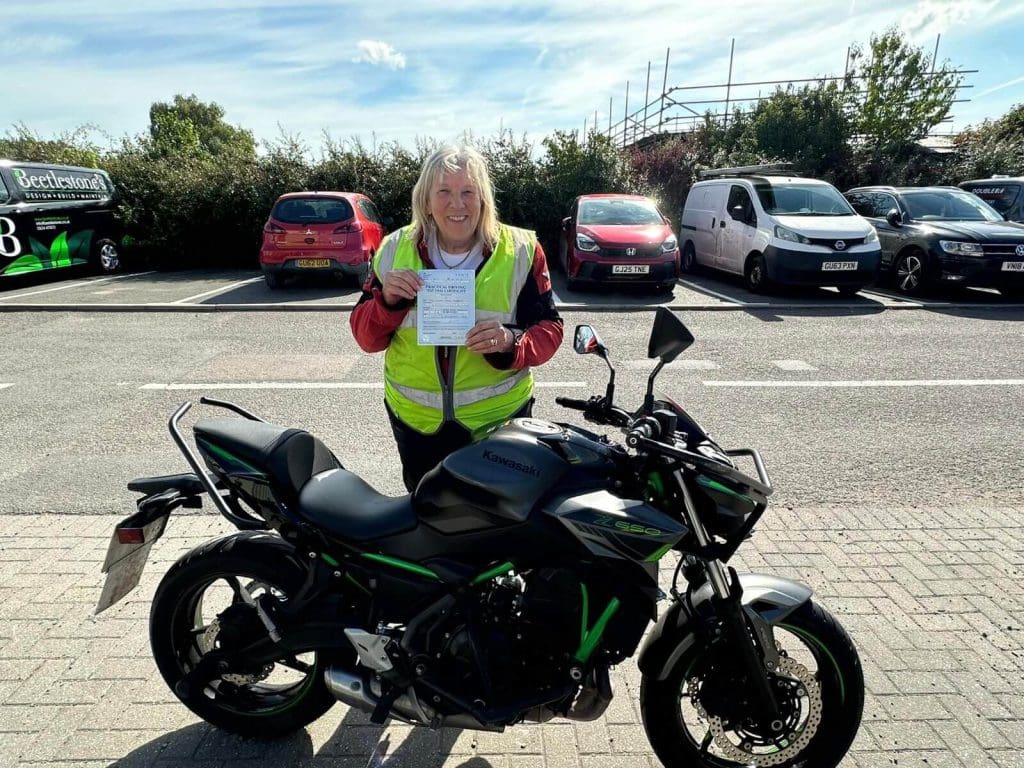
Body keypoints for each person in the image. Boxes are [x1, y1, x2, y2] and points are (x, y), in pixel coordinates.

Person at [350, 145, 563, 492]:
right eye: (444, 192)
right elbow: (366, 338)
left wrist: (510, 341)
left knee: (496, 522)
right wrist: (387, 302)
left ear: (483, 198)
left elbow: (550, 329)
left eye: (468, 192)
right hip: (417, 422)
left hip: (499, 424)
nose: (457, 204)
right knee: (428, 518)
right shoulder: (392, 249)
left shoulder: (522, 250)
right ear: (426, 200)